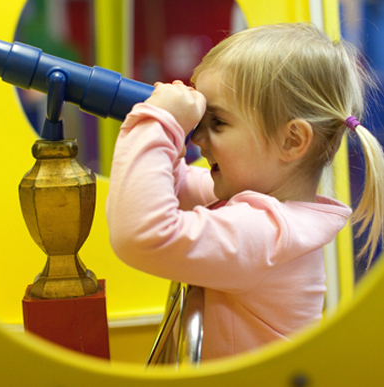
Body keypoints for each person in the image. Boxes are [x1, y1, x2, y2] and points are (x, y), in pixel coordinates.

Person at [106, 23, 384, 360]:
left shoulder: (267, 233)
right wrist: (169, 130)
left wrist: (157, 121)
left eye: (218, 122)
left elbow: (142, 234)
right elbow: (174, 188)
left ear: (291, 141)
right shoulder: (265, 207)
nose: (196, 138)